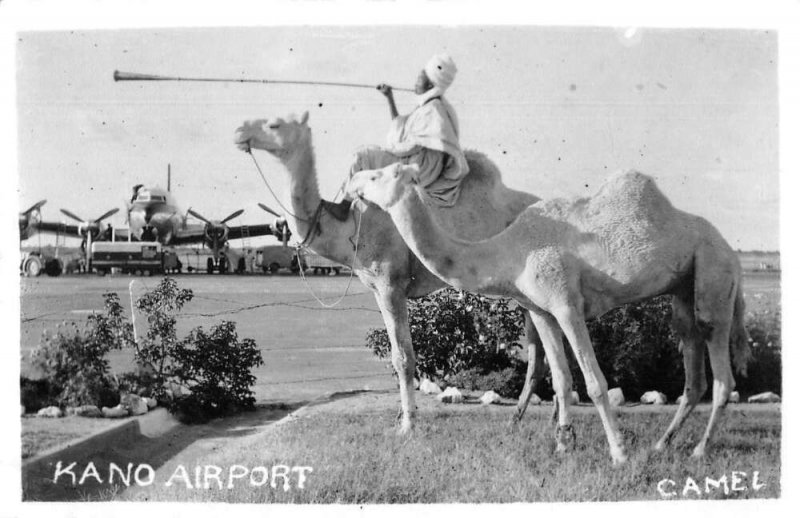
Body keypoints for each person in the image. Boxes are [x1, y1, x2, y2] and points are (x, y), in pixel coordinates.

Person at [328, 54, 469, 220]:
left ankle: (344, 207)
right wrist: (389, 98)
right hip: (418, 164)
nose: (415, 83)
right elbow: (403, 131)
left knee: (363, 156)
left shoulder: (434, 111)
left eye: (419, 79)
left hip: (419, 169)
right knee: (371, 153)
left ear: (430, 84)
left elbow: (408, 145)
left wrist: (389, 148)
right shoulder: (430, 107)